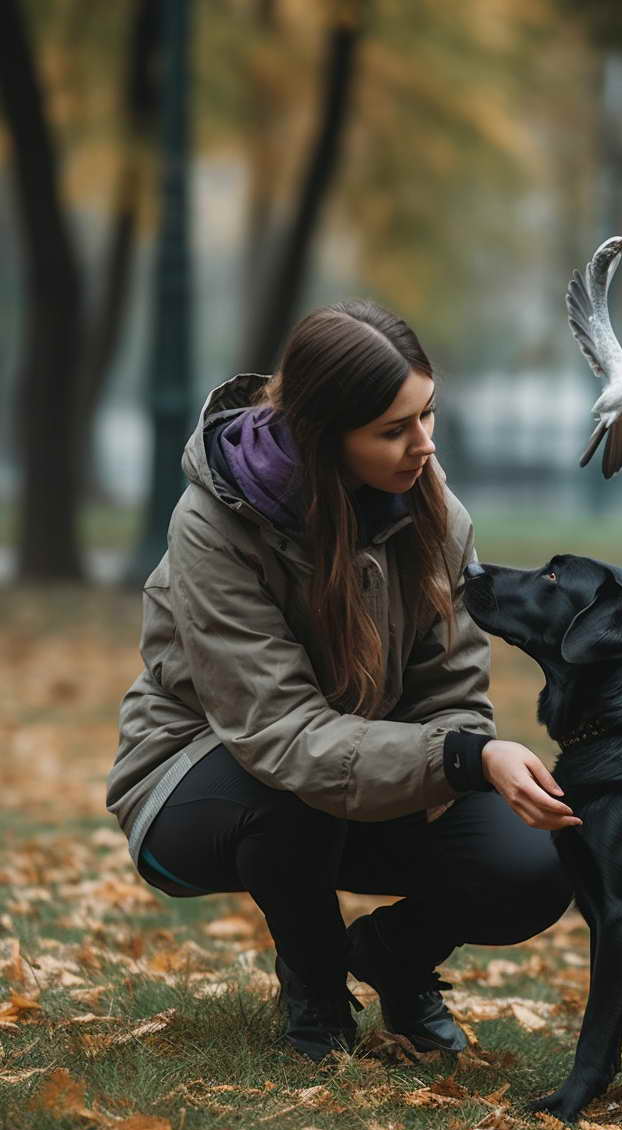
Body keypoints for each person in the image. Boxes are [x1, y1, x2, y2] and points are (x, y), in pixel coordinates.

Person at [105, 299, 581, 1065]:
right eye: (394, 430)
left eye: (427, 414)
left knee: (533, 859)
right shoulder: (214, 524)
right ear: (323, 436)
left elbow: (451, 691)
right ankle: (317, 987)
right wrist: (458, 758)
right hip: (202, 774)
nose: (424, 444)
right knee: (291, 795)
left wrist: (467, 757)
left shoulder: (437, 515)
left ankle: (395, 957)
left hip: (359, 768)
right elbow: (279, 733)